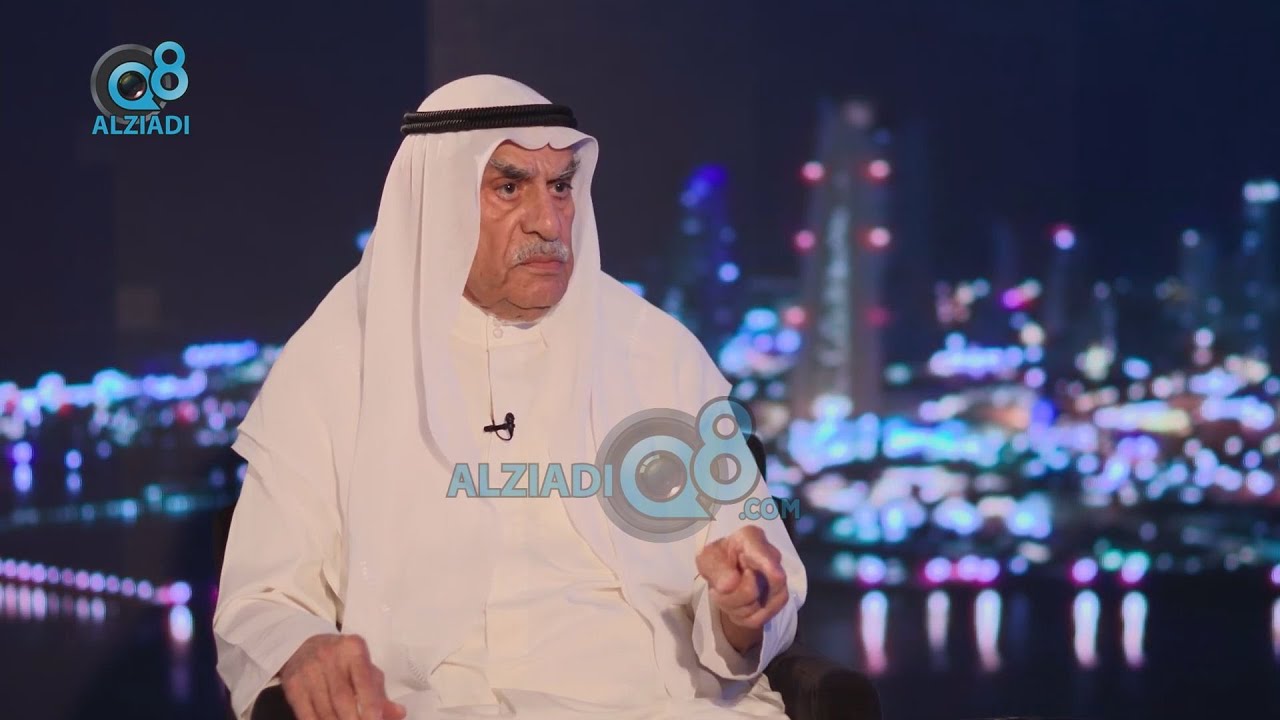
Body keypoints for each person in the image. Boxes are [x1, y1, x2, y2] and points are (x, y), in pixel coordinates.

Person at [214, 74, 807, 720]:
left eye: (561, 187)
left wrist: (743, 611)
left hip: (653, 703)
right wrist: (305, 649)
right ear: (438, 205)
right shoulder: (335, 361)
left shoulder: (658, 353)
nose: (549, 222)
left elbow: (759, 579)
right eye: (508, 188)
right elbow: (260, 602)